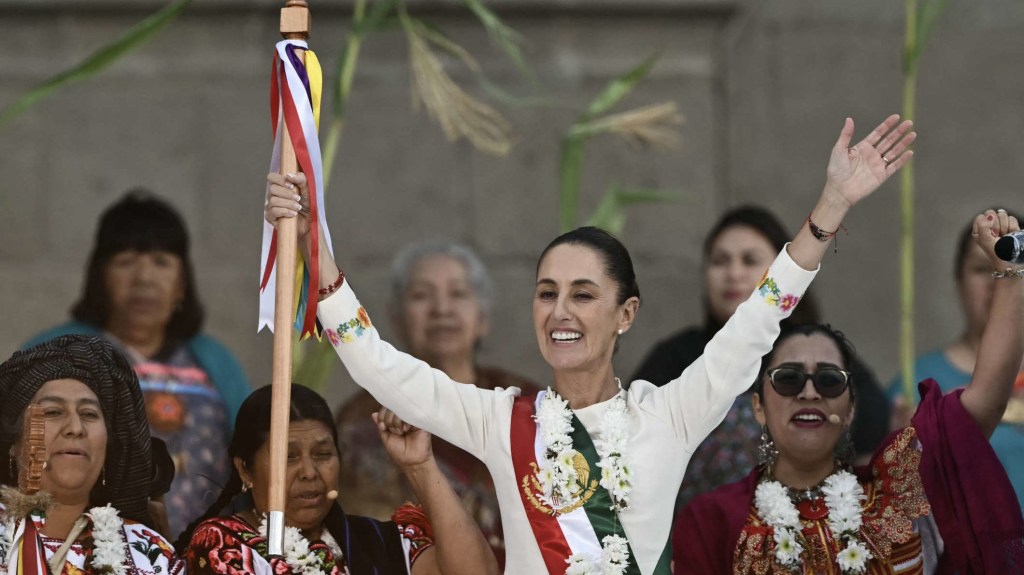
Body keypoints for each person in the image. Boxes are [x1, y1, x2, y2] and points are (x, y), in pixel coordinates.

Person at [266, 115, 916, 573]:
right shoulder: (499, 418)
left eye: (582, 293)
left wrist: (832, 203)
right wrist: (309, 240)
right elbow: (378, 363)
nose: (560, 310)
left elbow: (760, 316)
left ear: (625, 312)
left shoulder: (670, 412)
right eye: (547, 292)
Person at [673, 210, 1024, 573]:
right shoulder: (714, 519)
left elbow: (986, 398)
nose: (809, 392)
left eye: (829, 380)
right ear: (759, 407)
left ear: (852, 407)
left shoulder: (897, 491)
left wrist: (1010, 271)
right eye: (789, 379)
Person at [631, 206, 890, 510]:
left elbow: (870, 431)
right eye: (720, 261)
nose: (733, 273)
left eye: (750, 260)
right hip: (695, 542)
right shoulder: (676, 357)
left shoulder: (819, 353)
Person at [24, 191, 251, 536]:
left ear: (182, 285)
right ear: (99, 276)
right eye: (126, 261)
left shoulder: (216, 363)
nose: (144, 278)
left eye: (161, 262)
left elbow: (253, 455)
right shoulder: (55, 351)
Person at [335, 241, 537, 565]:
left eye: (458, 294)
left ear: (483, 317)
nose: (441, 308)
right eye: (421, 295)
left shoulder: (525, 404)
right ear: (396, 318)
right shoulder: (361, 420)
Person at [178, 384, 499, 575]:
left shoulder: (380, 541)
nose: (309, 471)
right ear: (245, 469)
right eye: (288, 457)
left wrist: (420, 464)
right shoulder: (222, 544)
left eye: (322, 454)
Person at [0, 335, 184, 574]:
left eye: (89, 414)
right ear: (13, 443)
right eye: (53, 412)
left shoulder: (151, 555)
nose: (75, 428)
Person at [888, 211, 1024, 509]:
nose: (997, 280)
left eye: (1011, 268)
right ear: (958, 281)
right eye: (981, 268)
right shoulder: (918, 382)